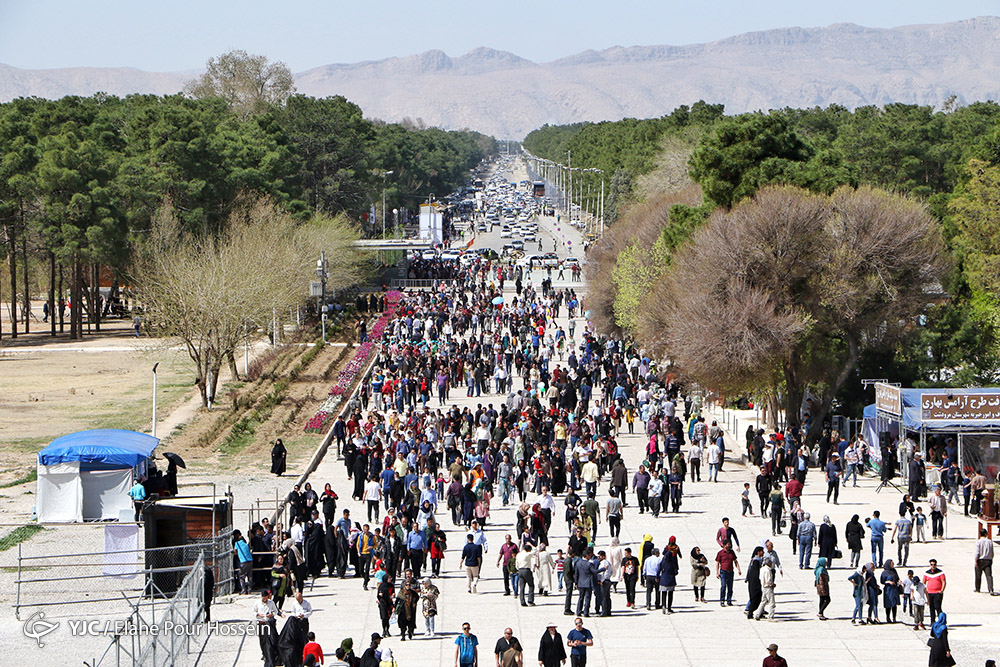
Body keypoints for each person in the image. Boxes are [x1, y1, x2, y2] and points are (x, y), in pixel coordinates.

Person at [716, 540, 741, 606]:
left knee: (730, 587)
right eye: (727, 544)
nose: (729, 545)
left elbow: (735, 561)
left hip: (730, 572)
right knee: (723, 586)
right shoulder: (720, 553)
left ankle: (729, 600)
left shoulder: (732, 552)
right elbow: (717, 562)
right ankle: (722, 600)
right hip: (723, 572)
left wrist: (738, 569)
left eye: (729, 544)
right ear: (724, 545)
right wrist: (717, 572)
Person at [753, 551, 776, 621]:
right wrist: (772, 584)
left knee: (763, 601)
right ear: (769, 563)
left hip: (763, 587)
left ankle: (757, 614)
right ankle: (771, 617)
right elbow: (768, 580)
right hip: (768, 588)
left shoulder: (762, 569)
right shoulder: (768, 570)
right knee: (772, 603)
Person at [976, 528, 996, 594]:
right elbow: (992, 552)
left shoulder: (978, 542)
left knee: (978, 575)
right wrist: (991, 559)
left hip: (980, 560)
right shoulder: (990, 542)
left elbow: (977, 552)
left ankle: (977, 588)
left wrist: (976, 560)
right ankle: (990, 589)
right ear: (986, 534)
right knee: (989, 575)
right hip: (988, 560)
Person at [234, 530, 254, 595]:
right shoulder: (246, 544)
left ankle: (243, 590)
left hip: (243, 561)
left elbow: (235, 551)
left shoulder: (237, 543)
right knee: (250, 576)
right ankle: (249, 590)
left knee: (241, 576)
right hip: (250, 560)